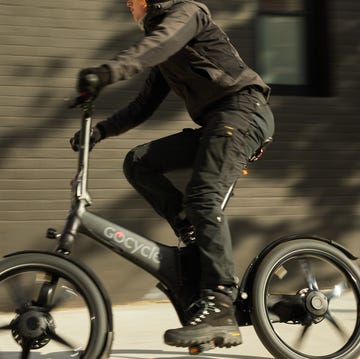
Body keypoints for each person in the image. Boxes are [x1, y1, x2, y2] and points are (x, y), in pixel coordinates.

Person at [70, 0, 275, 349]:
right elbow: (142, 105)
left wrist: (106, 72)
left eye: (131, 2)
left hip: (242, 112)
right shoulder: (165, 47)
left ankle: (220, 303)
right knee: (138, 162)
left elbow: (156, 44)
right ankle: (193, 236)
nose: (127, 7)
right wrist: (99, 132)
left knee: (203, 195)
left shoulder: (186, 14)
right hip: (219, 123)